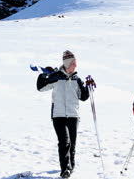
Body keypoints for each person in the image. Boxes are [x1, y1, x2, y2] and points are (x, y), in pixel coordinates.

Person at [36, 50, 95, 178]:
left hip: (73, 115)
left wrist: (89, 88)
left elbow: (83, 96)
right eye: (73, 63)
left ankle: (70, 167)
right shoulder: (56, 77)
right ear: (67, 64)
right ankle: (65, 170)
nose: (75, 66)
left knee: (72, 144)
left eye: (75, 63)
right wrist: (43, 76)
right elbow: (40, 88)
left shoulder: (76, 79)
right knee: (64, 142)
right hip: (58, 115)